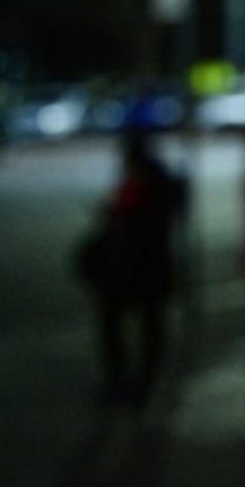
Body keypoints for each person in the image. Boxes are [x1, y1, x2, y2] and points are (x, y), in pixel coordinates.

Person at [82, 132, 185, 407]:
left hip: (133, 268)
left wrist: (112, 214)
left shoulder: (141, 182)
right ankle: (144, 381)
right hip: (151, 266)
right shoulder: (160, 180)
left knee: (119, 322)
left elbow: (129, 220)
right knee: (150, 325)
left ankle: (127, 383)